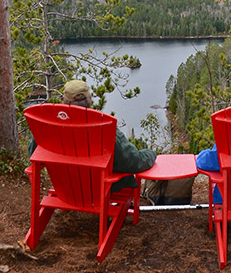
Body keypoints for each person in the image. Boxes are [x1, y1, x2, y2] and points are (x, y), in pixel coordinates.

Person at [28, 80, 157, 193]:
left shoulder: (46, 126)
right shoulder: (104, 128)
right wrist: (150, 154)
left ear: (63, 102)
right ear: (90, 101)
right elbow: (131, 162)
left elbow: (33, 155)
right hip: (102, 189)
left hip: (66, 189)